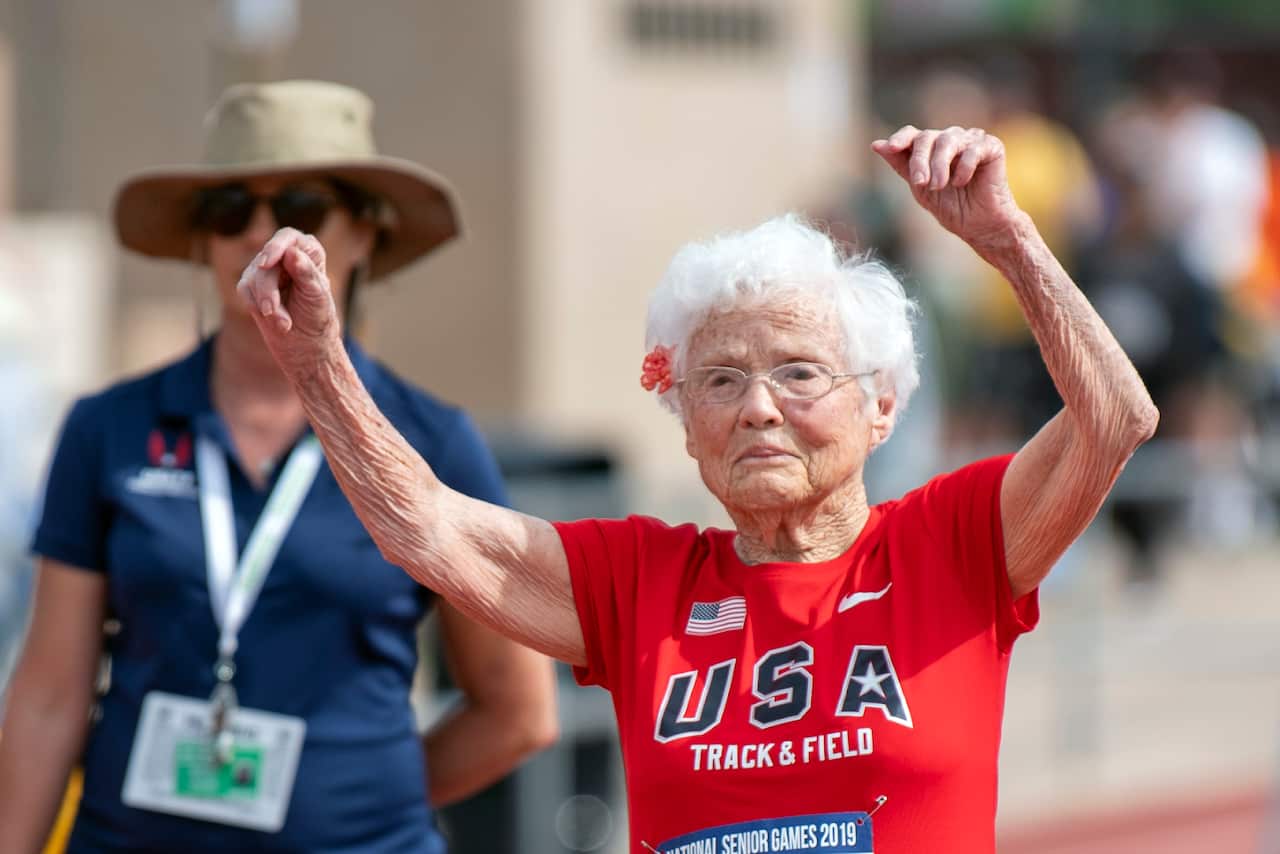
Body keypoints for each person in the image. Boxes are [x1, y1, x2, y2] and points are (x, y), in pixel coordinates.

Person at [235, 125, 1157, 852]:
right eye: (718, 381)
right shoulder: (642, 581)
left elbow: (1114, 416)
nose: (757, 408)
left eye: (799, 374)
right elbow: (428, 531)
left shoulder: (950, 543)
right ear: (684, 424)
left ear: (882, 407)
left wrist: (1008, 241)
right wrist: (315, 363)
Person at [0, 80, 557, 853]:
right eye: (231, 207)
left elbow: (518, 710)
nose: (263, 230)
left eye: (300, 205)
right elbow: (47, 695)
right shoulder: (108, 428)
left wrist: (364, 800)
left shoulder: (434, 442)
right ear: (202, 239)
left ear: (365, 234)